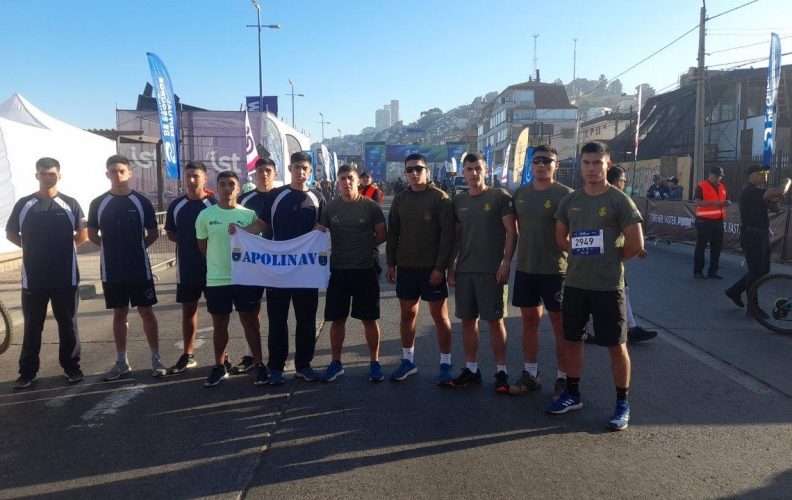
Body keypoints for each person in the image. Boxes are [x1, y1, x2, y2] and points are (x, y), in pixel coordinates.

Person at [548, 141, 644, 431]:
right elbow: (561, 239)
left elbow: (636, 244)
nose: (591, 168)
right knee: (573, 340)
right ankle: (573, 395)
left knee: (616, 346)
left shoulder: (619, 200)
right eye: (587, 163)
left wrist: (610, 263)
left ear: (607, 164)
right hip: (576, 284)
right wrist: (584, 259)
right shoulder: (570, 201)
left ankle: (622, 404)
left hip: (608, 287)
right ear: (580, 165)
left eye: (597, 163)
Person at [234, 151, 326, 385]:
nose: (301, 171)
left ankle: (304, 365)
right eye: (297, 167)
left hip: (305, 269)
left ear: (310, 171)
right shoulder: (276, 195)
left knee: (306, 319)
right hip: (277, 269)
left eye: (305, 168)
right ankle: (276, 367)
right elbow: (262, 224)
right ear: (290, 169)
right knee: (277, 319)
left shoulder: (318, 198)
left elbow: (323, 230)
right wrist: (241, 234)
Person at [6, 157, 88, 389]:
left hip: (65, 276)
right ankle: (27, 373)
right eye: (43, 173)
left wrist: (63, 250)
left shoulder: (70, 203)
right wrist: (31, 247)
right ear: (36, 176)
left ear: (59, 175)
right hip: (34, 277)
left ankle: (72, 368)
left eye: (51, 173)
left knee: (68, 324)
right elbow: (11, 233)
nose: (47, 177)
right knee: (32, 326)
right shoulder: (24, 204)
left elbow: (81, 235)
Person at [87, 155, 165, 381]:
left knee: (146, 312)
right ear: (107, 174)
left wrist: (136, 248)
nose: (118, 175)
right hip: (112, 271)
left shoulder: (142, 202)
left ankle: (156, 358)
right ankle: (122, 362)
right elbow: (92, 235)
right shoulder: (98, 203)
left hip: (139, 268)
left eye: (122, 171)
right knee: (119, 313)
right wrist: (112, 250)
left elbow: (153, 233)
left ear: (130, 173)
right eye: (113, 171)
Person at [507, 145, 573, 400]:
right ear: (530, 165)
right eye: (537, 161)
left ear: (556, 165)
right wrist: (505, 261)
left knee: (560, 327)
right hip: (526, 268)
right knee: (529, 323)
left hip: (556, 270)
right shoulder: (520, 194)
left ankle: (563, 378)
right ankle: (530, 375)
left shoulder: (566, 195)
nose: (542, 165)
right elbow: (515, 230)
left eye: (548, 161)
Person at [447, 153, 516, 392]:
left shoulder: (499, 196)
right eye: (469, 169)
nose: (473, 173)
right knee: (467, 322)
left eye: (477, 168)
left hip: (492, 271)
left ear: (485, 171)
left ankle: (501, 372)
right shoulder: (458, 201)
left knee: (495, 322)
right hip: (465, 270)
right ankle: (472, 369)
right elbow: (455, 237)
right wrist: (450, 266)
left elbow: (512, 232)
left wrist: (506, 262)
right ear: (463, 173)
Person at [385, 153, 455, 383]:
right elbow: (393, 233)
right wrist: (391, 263)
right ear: (405, 173)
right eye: (410, 170)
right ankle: (408, 361)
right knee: (408, 314)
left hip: (431, 269)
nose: (414, 173)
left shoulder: (440, 198)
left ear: (427, 171)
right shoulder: (400, 199)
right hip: (406, 267)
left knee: (440, 317)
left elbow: (448, 236)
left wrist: (440, 267)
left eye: (418, 169)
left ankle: (445, 363)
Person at [316, 165, 387, 382]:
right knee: (337, 320)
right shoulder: (330, 208)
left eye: (350, 178)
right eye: (342, 179)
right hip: (338, 271)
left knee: (369, 319)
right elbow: (319, 234)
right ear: (337, 182)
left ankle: (374, 362)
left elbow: (382, 235)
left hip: (365, 270)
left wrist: (364, 248)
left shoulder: (371, 207)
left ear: (358, 181)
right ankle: (336, 363)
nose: (346, 182)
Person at [196, 171, 267, 387]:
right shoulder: (205, 215)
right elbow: (203, 247)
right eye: (223, 184)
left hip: (244, 278)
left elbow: (257, 246)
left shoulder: (249, 215)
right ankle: (219, 366)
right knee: (220, 323)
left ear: (238, 189)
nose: (227, 188)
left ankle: (260, 364)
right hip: (217, 280)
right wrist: (219, 262)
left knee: (249, 321)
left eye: (231, 185)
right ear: (217, 188)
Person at [164, 161, 217, 374]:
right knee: (188, 312)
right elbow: (171, 233)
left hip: (213, 269)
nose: (192, 180)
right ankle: (188, 354)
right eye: (188, 176)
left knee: (218, 315)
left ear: (205, 178)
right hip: (187, 269)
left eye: (196, 176)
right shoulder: (176, 206)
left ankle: (222, 357)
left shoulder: (214, 205)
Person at [725, 166, 791, 317]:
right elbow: (781, 190)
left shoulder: (760, 193)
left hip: (761, 235)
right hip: (751, 235)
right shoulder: (750, 191)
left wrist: (773, 200)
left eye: (765, 172)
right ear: (750, 177)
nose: (764, 175)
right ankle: (752, 307)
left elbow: (776, 209)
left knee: (764, 270)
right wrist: (788, 181)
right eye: (760, 173)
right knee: (756, 271)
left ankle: (734, 291)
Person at [233, 157, 278, 374]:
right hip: (252, 263)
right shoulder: (245, 198)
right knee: (251, 311)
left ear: (275, 174)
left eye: (268, 171)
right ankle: (252, 355)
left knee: (278, 312)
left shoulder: (281, 196)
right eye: (260, 171)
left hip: (278, 263)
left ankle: (276, 356)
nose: (264, 174)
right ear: (255, 174)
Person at [607, 166, 658, 343]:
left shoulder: (614, 199)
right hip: (604, 257)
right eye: (623, 181)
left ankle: (630, 327)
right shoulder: (618, 200)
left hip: (604, 256)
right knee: (614, 291)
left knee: (621, 289)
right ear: (618, 182)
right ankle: (629, 328)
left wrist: (636, 246)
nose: (624, 185)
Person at [693, 166, 729, 279]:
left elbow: (726, 199)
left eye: (720, 177)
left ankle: (713, 271)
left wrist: (727, 202)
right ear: (712, 175)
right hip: (704, 221)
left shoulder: (722, 186)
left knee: (717, 247)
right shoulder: (701, 186)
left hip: (718, 221)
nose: (719, 179)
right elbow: (697, 202)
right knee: (701, 246)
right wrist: (715, 203)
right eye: (718, 176)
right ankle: (698, 271)